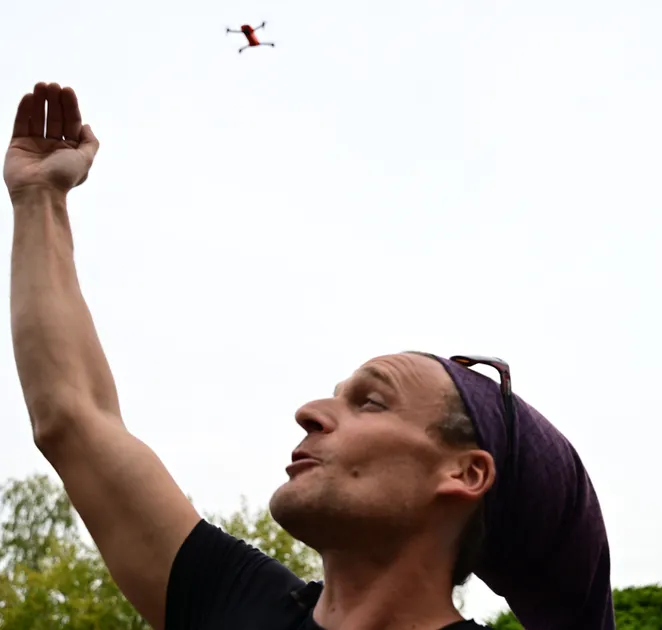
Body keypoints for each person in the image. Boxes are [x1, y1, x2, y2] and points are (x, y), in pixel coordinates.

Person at [5, 82, 615, 630]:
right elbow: (73, 416)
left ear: (465, 474)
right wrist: (40, 199)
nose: (309, 412)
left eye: (370, 402)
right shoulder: (233, 604)